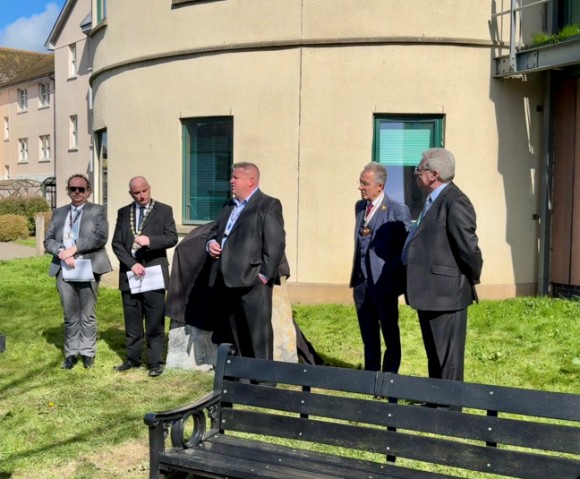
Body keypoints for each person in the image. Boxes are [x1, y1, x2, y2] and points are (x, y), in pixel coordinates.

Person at [403, 148, 483, 382]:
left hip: (447, 295)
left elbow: (469, 249)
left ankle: (449, 411)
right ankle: (436, 402)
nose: (416, 174)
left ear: (433, 174)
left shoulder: (455, 201)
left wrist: (468, 279)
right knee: (434, 356)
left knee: (448, 362)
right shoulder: (433, 200)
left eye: (420, 170)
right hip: (430, 293)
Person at [207, 162, 285, 360]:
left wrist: (264, 276)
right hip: (227, 279)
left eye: (235, 177)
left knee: (258, 333)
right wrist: (211, 244)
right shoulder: (228, 206)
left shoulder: (268, 205)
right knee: (236, 330)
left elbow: (275, 244)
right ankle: (244, 374)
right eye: (232, 177)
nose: (231, 181)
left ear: (251, 181)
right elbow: (215, 231)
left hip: (253, 280)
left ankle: (264, 380)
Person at [112, 176, 178, 377]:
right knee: (132, 319)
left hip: (153, 273)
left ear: (150, 189)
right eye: (136, 193)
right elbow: (116, 244)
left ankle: (155, 362)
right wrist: (132, 265)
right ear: (131, 193)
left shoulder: (164, 210)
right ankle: (133, 359)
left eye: (144, 191)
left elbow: (172, 237)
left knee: (154, 319)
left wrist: (150, 240)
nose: (141, 196)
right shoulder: (124, 213)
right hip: (130, 274)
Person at [44, 174, 112, 369]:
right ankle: (72, 353)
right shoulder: (58, 213)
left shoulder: (97, 211)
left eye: (81, 189)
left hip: (88, 267)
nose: (77, 193)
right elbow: (47, 239)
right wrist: (61, 252)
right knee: (70, 314)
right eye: (73, 189)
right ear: (67, 190)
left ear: (88, 191)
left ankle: (88, 353)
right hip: (63, 267)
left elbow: (100, 237)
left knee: (87, 314)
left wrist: (75, 248)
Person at [350, 163, 411, 373]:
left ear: (380, 186)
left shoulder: (397, 210)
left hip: (384, 285)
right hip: (361, 283)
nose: (360, 187)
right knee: (368, 334)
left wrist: (391, 279)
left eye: (365, 183)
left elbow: (404, 250)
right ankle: (371, 376)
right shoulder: (360, 207)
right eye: (360, 182)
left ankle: (389, 378)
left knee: (389, 334)